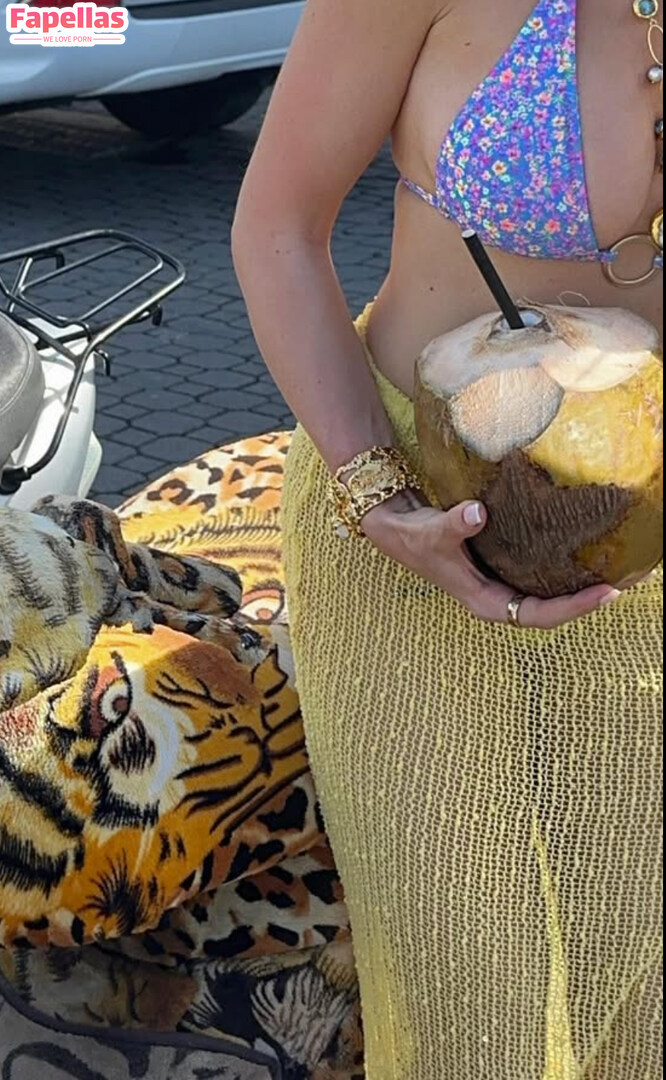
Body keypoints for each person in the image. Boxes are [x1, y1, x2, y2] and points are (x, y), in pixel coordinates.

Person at [231, 0, 663, 1075]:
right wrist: (377, 498)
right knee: (477, 1017)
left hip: (650, 572)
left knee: (645, 1007)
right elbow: (277, 226)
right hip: (423, 539)